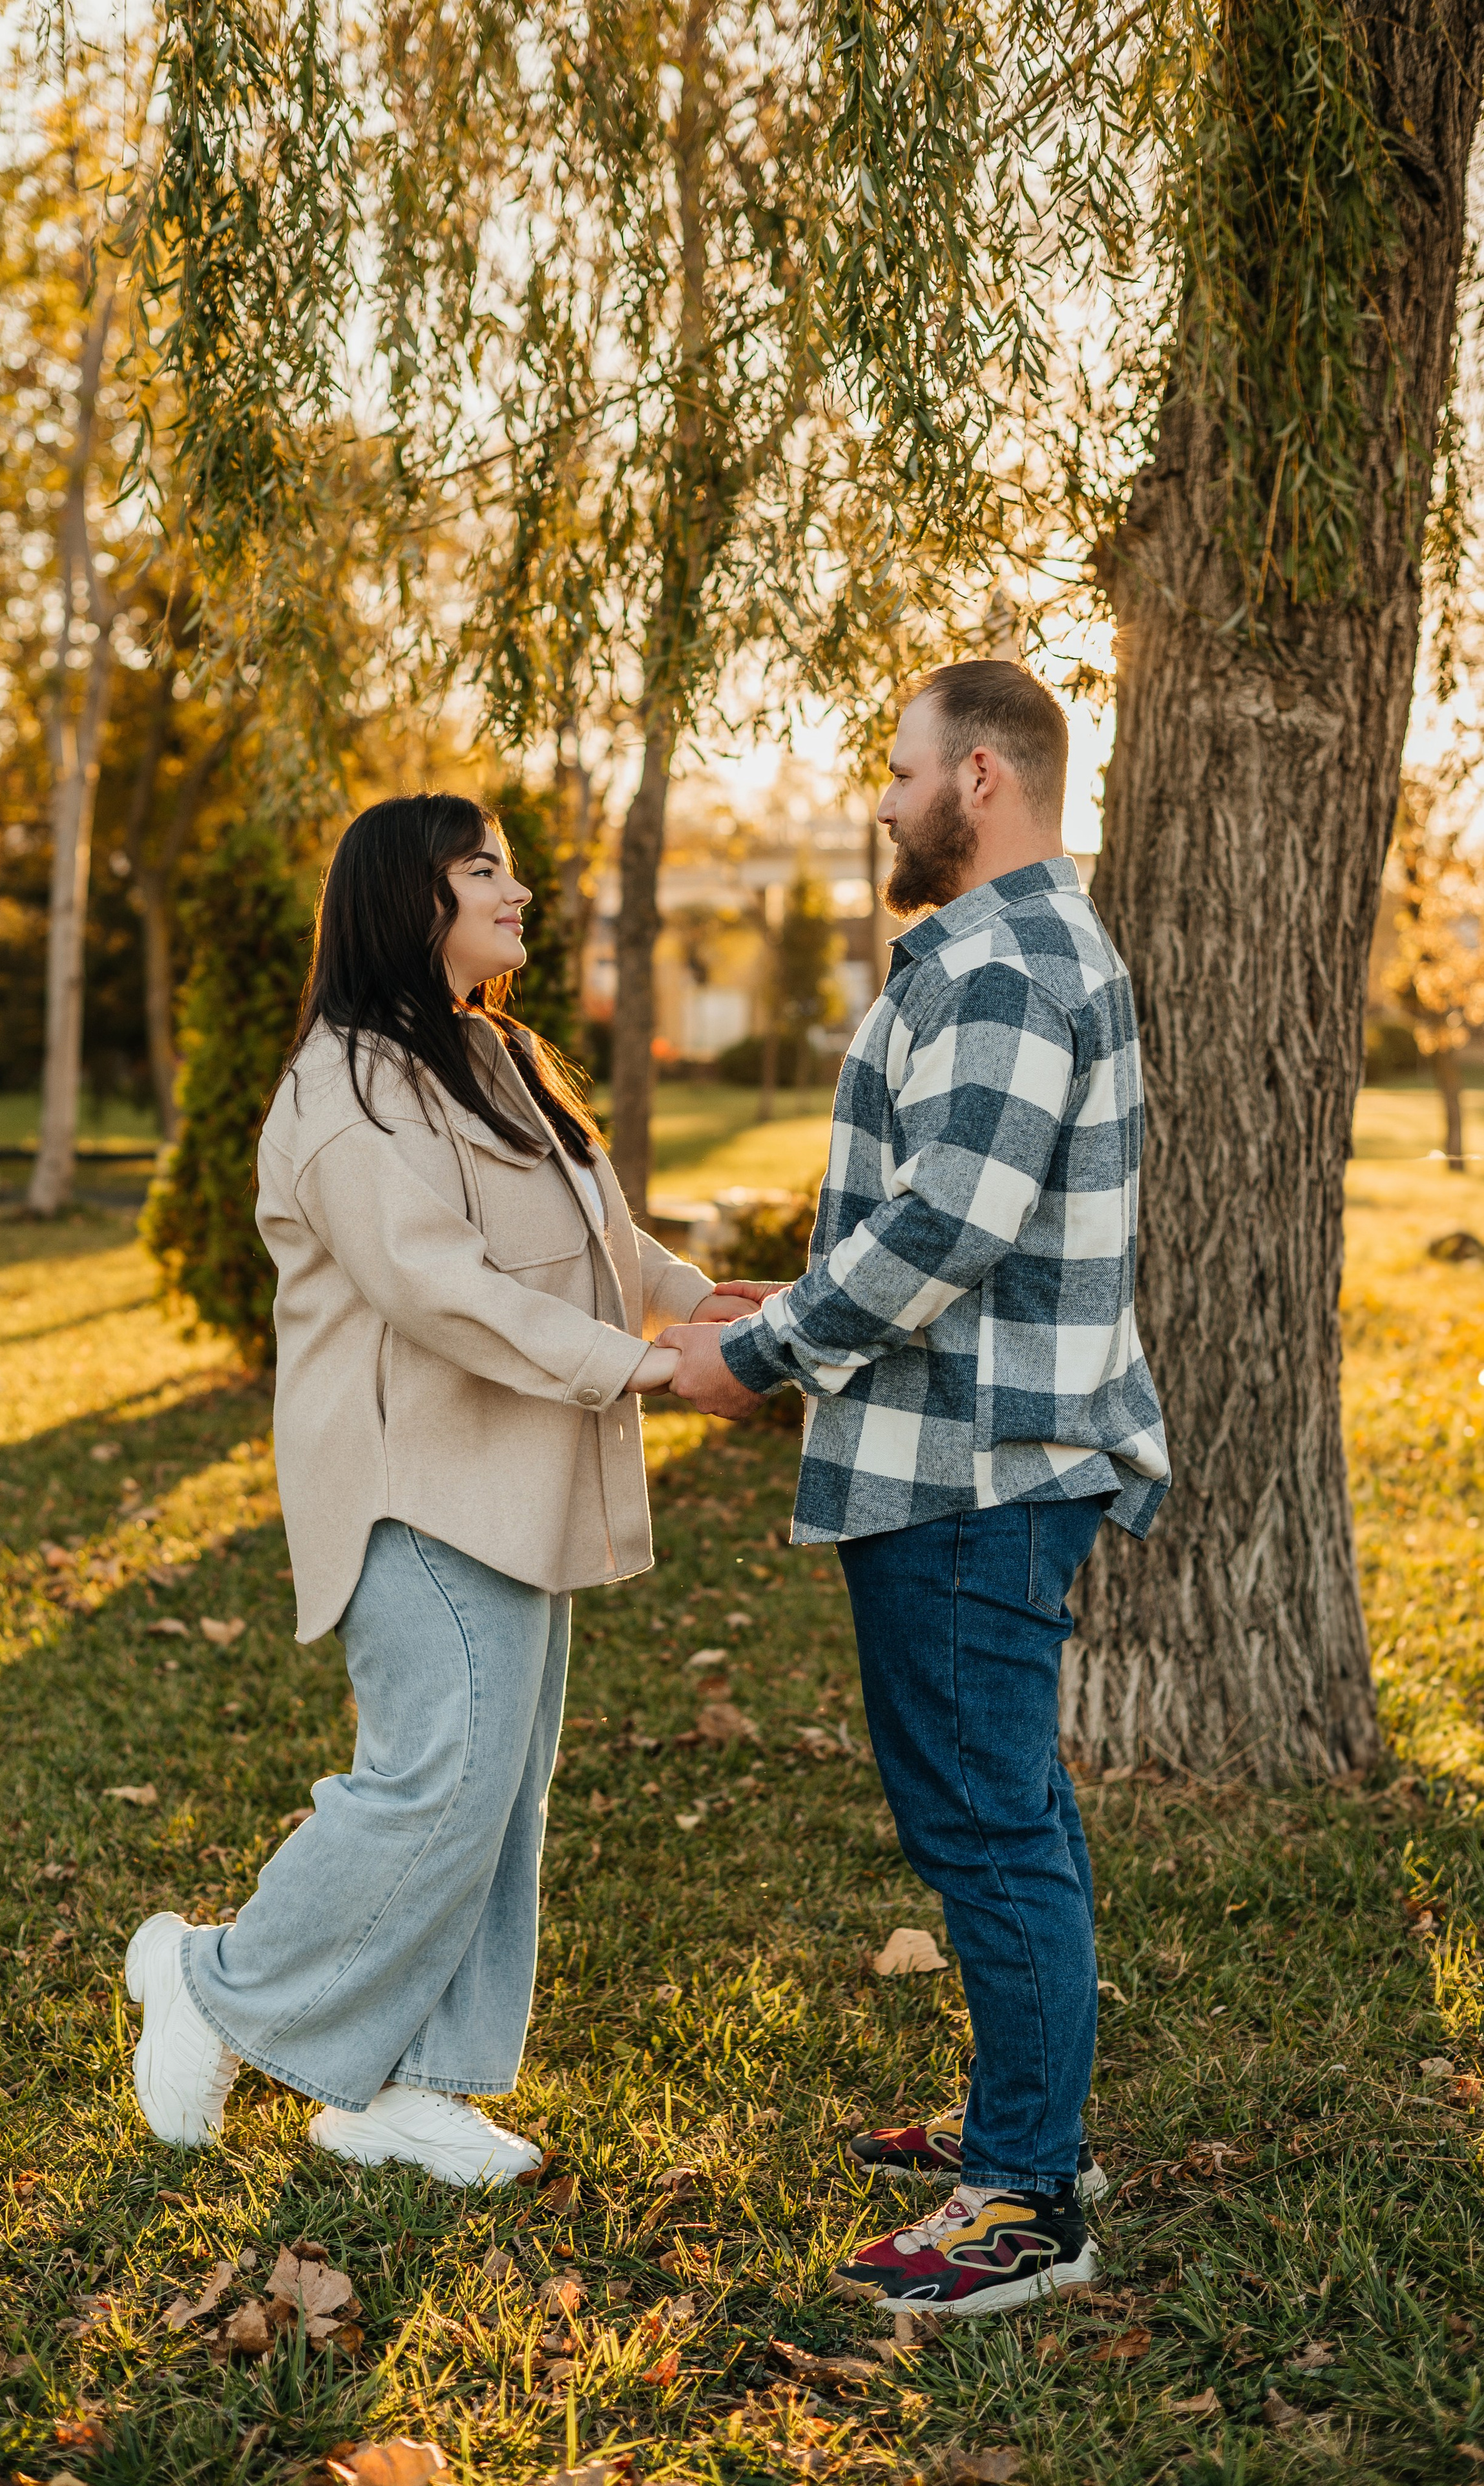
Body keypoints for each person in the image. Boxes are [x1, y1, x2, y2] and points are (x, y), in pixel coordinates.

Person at [123, 793, 756, 2184]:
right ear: (409, 900)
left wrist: (706, 1308)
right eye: (485, 872)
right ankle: (212, 1978)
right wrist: (646, 1376)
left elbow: (595, 1232)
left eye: (510, 872)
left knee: (499, 1786)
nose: (516, 894)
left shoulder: (492, 1050)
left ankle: (418, 2089)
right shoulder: (343, 1087)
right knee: (432, 1779)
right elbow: (440, 1291)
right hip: (411, 1479)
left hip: (512, 1471)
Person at [658, 661, 1170, 2315]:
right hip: (971, 1451)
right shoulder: (998, 954)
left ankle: (1022, 2201)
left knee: (983, 1823)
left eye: (895, 770)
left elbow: (953, 1220)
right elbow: (930, 1211)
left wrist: (758, 1357)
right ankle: (1032, 2129)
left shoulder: (1010, 957)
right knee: (1003, 1806)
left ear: (977, 781)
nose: (875, 798)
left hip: (973, 1468)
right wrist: (786, 1297)